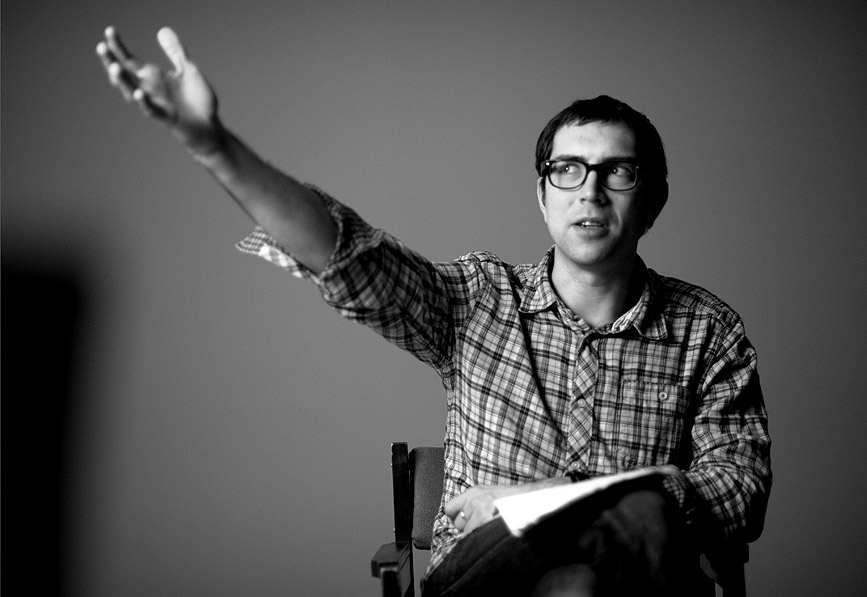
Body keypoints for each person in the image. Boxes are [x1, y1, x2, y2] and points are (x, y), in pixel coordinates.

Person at [97, 26, 771, 596]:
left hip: (634, 583)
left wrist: (531, 499)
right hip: (484, 582)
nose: (589, 191)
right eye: (567, 169)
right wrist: (214, 145)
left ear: (650, 201)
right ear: (542, 196)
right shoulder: (478, 300)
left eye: (616, 172)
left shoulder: (707, 331)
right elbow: (349, 256)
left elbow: (739, 491)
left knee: (612, 552)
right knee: (641, 516)